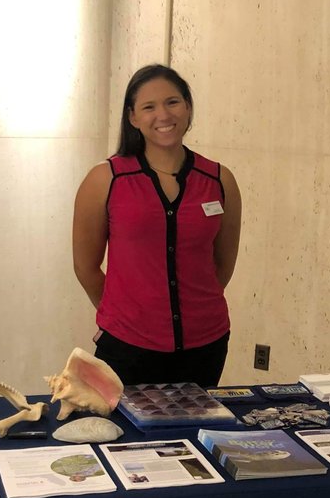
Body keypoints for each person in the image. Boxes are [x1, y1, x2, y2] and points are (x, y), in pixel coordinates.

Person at [72, 64, 241, 388]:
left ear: (188, 107)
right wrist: (123, 315)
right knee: (130, 438)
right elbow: (86, 266)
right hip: (127, 349)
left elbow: (223, 263)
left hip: (207, 344)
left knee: (192, 436)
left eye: (172, 102)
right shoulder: (106, 179)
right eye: (149, 106)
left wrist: (194, 311)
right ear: (133, 117)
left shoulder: (219, 180)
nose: (163, 114)